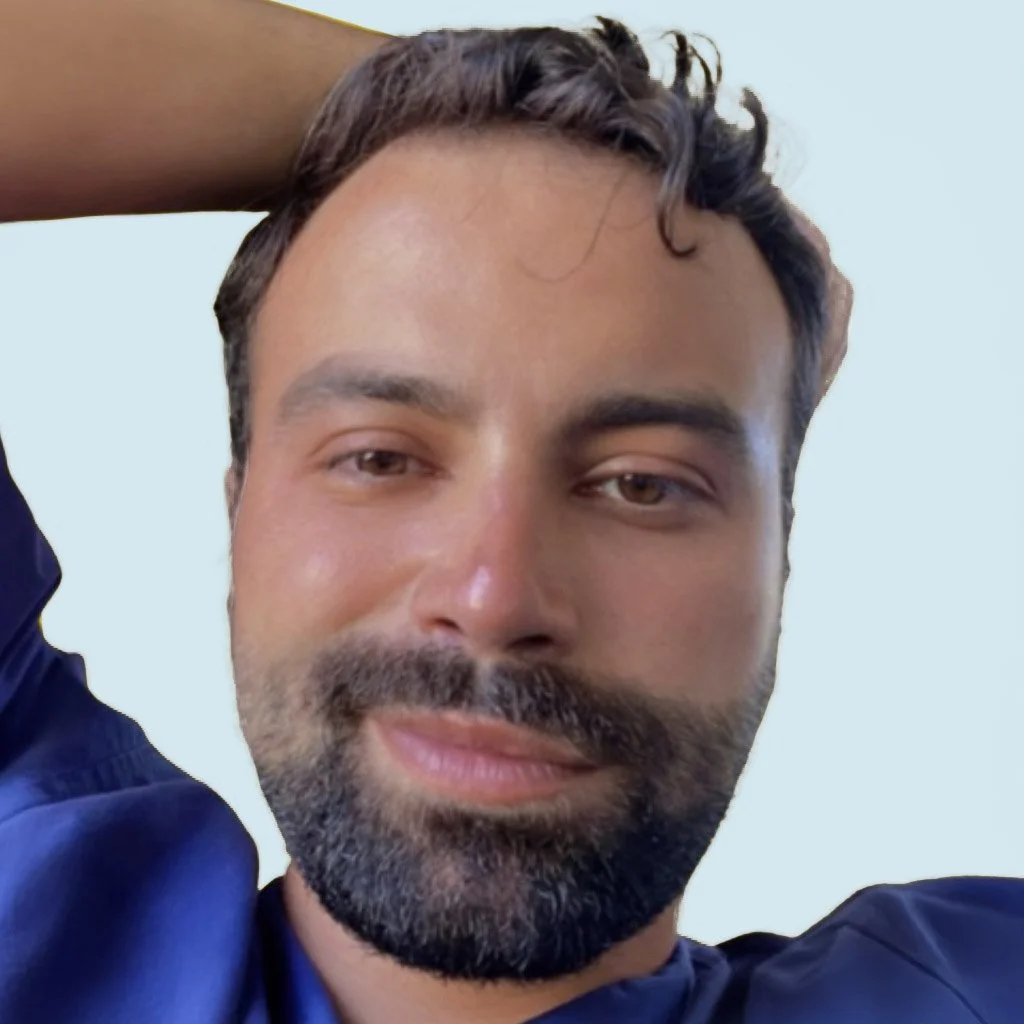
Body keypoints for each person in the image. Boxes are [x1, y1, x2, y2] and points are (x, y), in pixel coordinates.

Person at [1, 3, 1018, 1023]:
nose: (493, 598)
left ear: (777, 555)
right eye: (379, 458)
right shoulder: (36, 895)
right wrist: (472, 112)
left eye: (641, 483)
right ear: (241, 509)